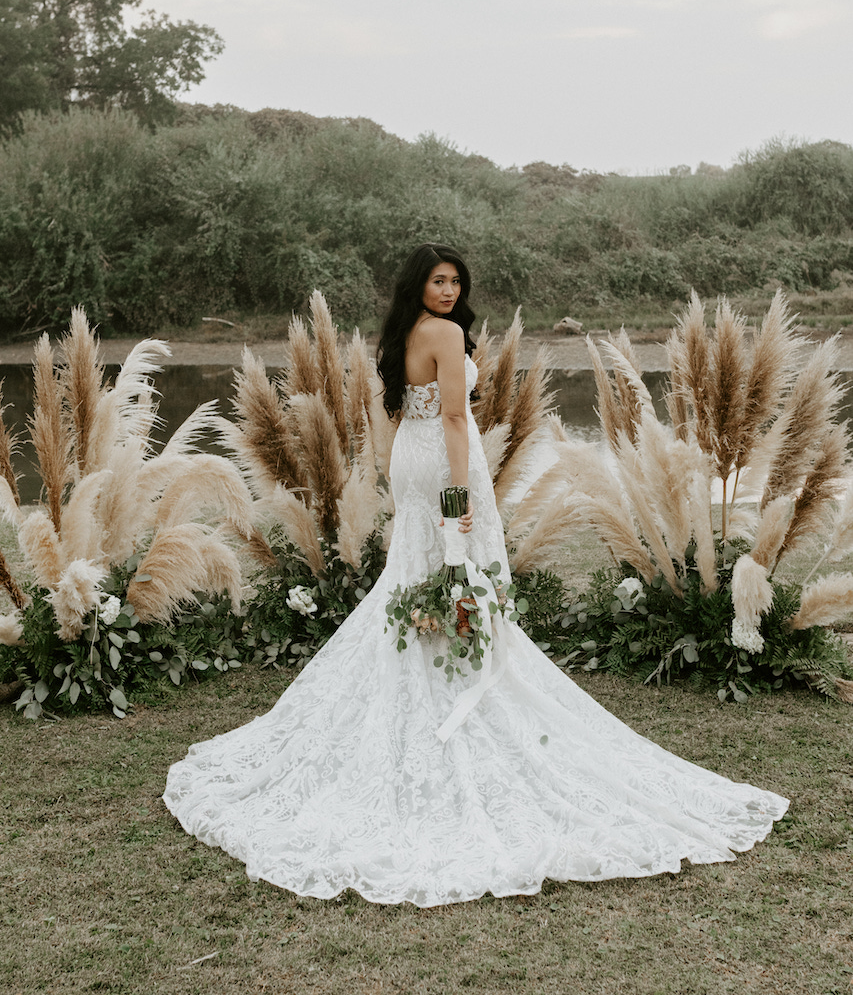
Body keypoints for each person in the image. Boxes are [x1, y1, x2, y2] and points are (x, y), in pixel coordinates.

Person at [163, 243, 788, 907]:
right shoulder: (445, 332)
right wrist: (461, 495)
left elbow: (411, 411)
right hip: (443, 466)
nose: (447, 289)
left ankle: (434, 664)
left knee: (410, 578)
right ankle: (455, 670)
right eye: (437, 280)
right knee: (451, 567)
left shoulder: (404, 333)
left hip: (412, 458)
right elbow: (458, 417)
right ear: (418, 285)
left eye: (454, 281)